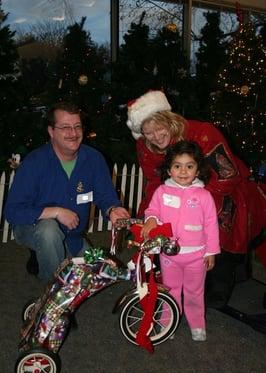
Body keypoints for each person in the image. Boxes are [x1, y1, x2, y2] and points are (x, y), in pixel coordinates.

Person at [127, 90, 266, 308]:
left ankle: (219, 279)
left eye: (159, 127)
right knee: (162, 228)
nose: (156, 136)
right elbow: (154, 183)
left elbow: (228, 176)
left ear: (169, 120)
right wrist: (149, 215)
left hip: (219, 192)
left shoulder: (202, 132)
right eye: (148, 132)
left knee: (215, 226)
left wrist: (190, 199)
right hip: (175, 196)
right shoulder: (145, 147)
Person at [4, 102, 129, 281]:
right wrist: (55, 212)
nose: (73, 133)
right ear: (51, 131)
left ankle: (48, 256)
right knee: (49, 230)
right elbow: (12, 211)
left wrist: (112, 209)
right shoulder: (34, 162)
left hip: (73, 235)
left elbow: (105, 195)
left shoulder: (93, 159)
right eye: (65, 127)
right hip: (32, 228)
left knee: (102, 274)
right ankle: (54, 290)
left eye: (77, 126)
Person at [141, 140, 220, 341]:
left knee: (194, 292)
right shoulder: (162, 192)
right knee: (171, 290)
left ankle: (197, 324)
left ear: (197, 170)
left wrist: (211, 251)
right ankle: (169, 323)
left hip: (196, 255)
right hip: (169, 254)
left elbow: (211, 224)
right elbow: (152, 210)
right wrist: (150, 219)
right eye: (177, 166)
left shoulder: (204, 196)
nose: (183, 171)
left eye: (189, 166)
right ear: (169, 170)